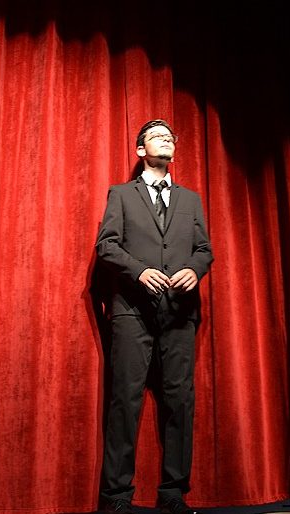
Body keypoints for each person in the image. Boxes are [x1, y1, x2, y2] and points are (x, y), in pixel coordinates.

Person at [95, 119, 213, 514]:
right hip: (132, 311)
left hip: (179, 312)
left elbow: (204, 249)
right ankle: (116, 496)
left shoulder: (191, 200)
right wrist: (139, 270)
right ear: (140, 150)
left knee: (179, 400)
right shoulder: (121, 194)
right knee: (125, 399)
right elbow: (107, 245)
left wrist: (194, 269)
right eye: (157, 136)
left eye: (170, 137)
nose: (166, 140)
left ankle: (173, 492)